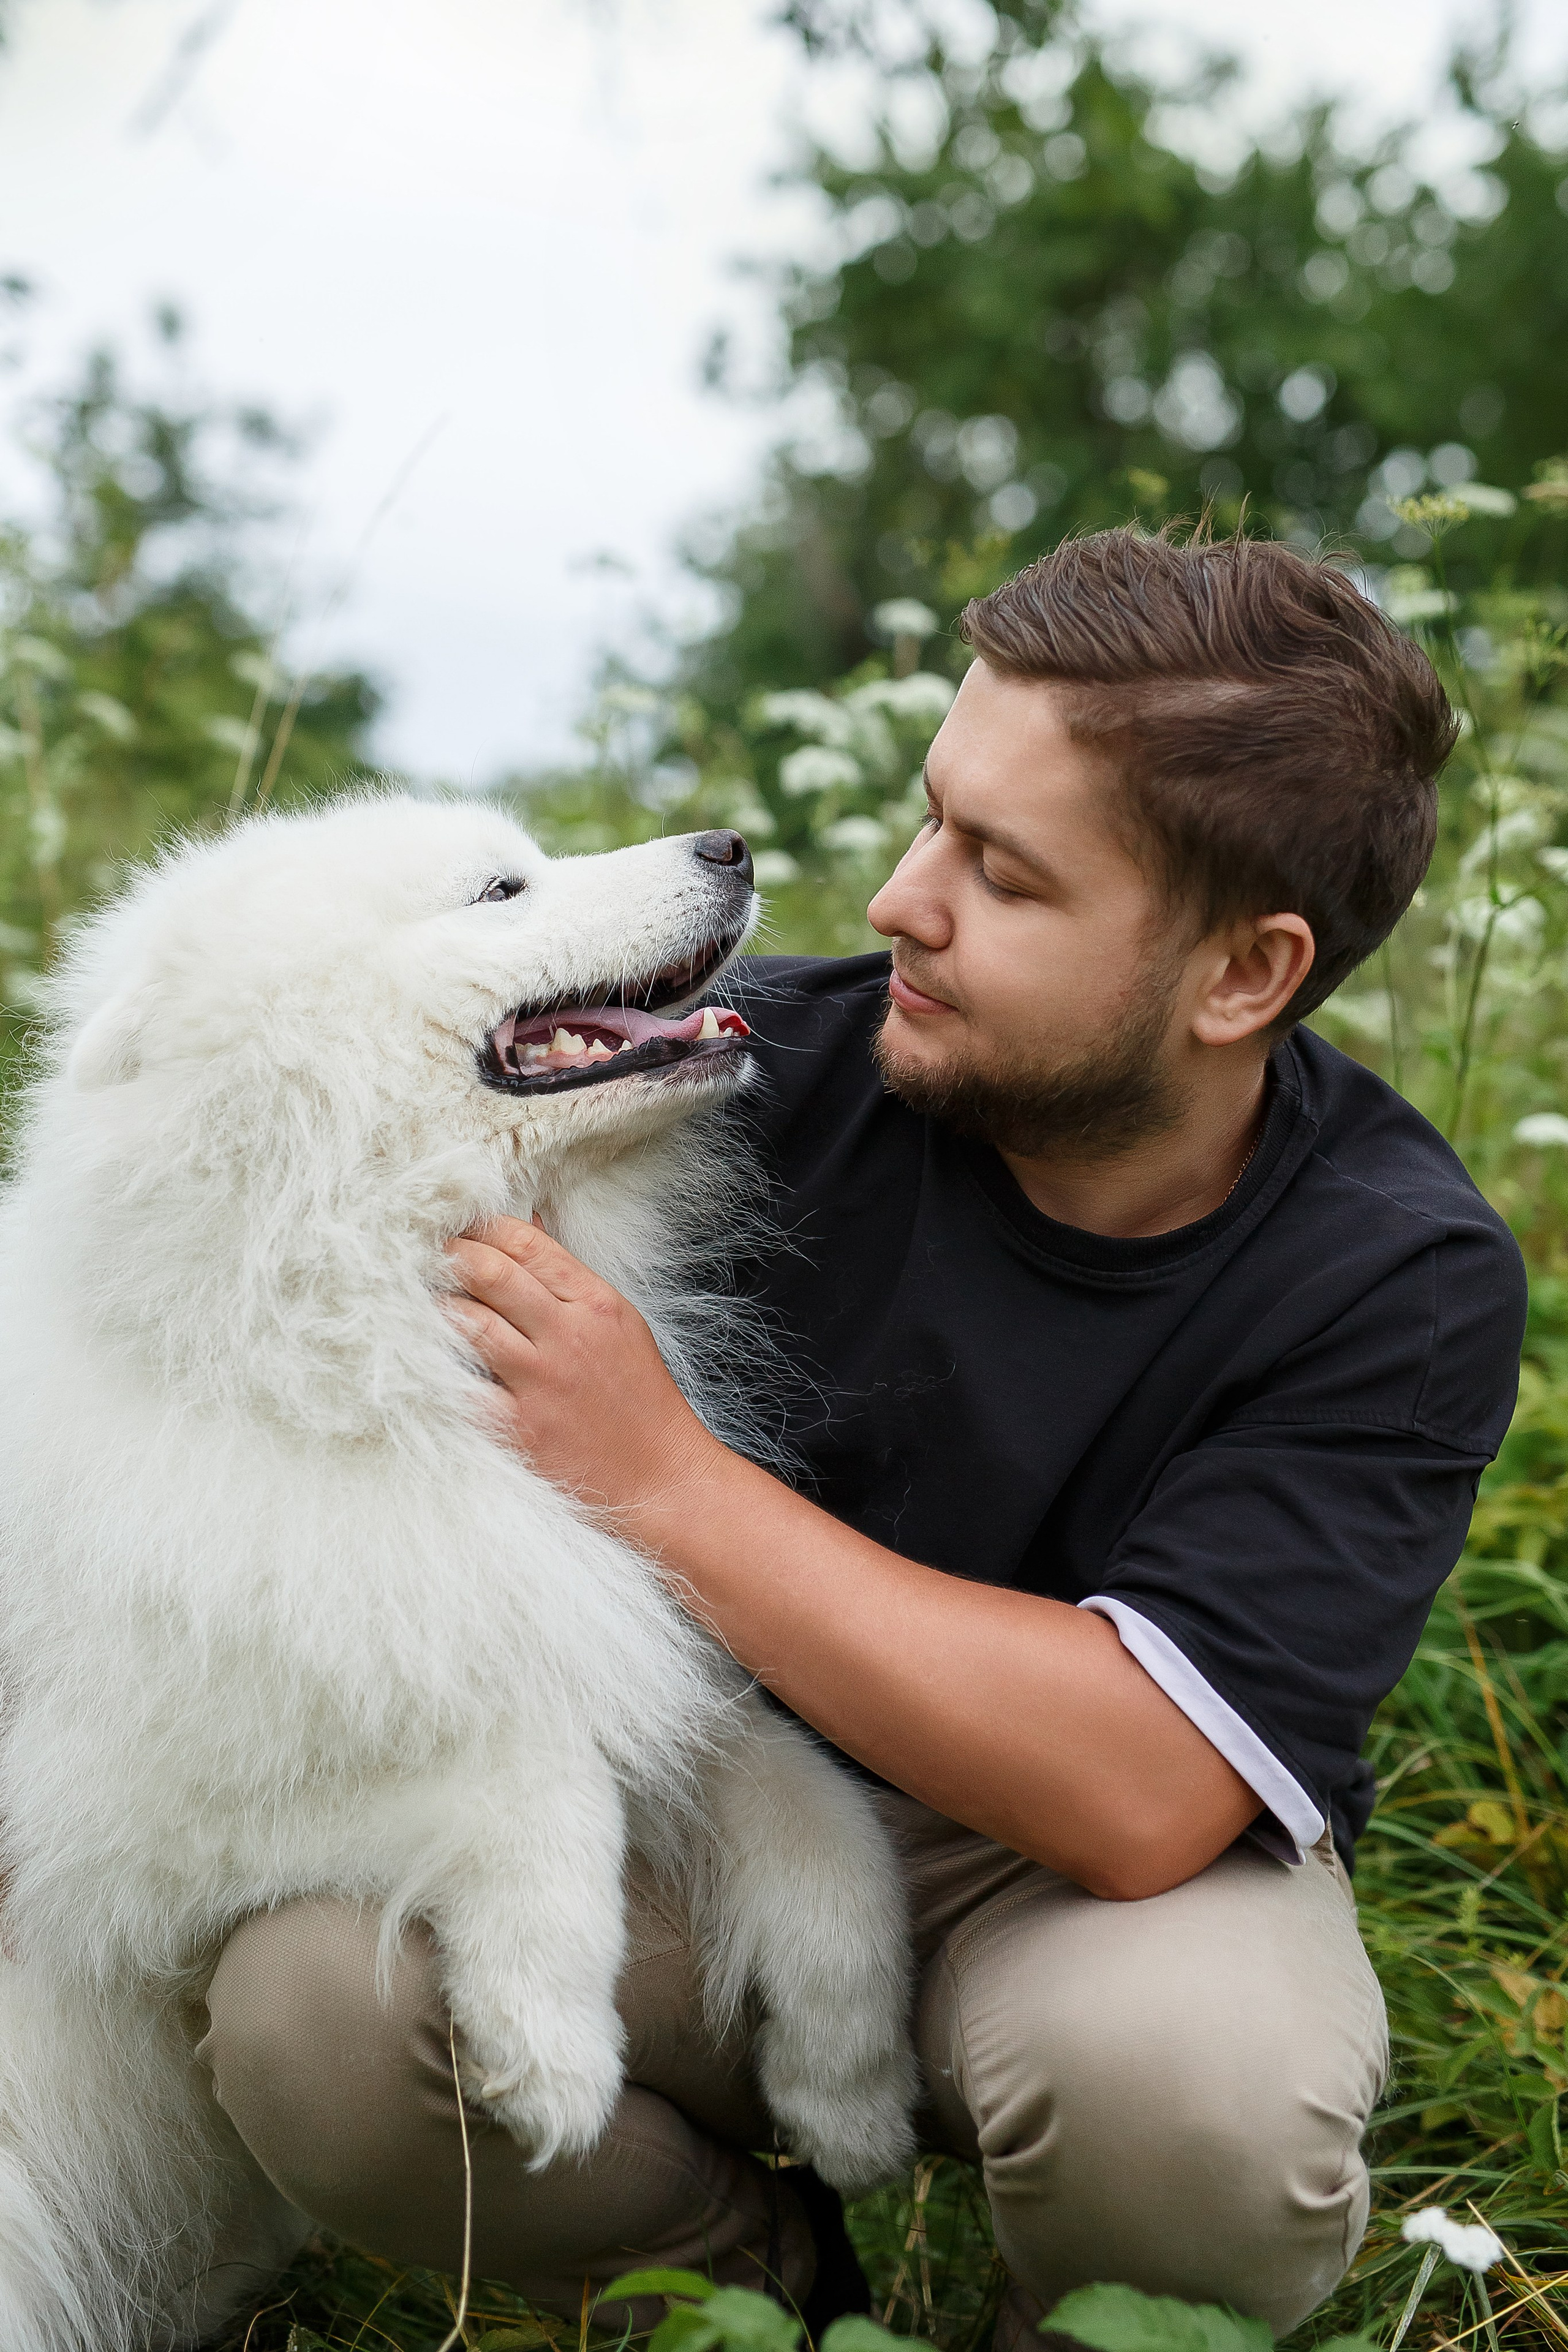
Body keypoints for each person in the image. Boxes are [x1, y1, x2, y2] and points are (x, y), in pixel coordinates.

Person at [200, 530, 1526, 2340]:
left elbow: (1145, 1793)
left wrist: (663, 1477)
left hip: (1081, 1885)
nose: (902, 900)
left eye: (1008, 875)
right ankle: (752, 2300)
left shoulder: (1396, 1274)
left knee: (1202, 2109)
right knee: (315, 2013)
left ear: (1241, 976)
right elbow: (266, 1259)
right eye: (931, 820)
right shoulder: (735, 1072)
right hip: (689, 1808)